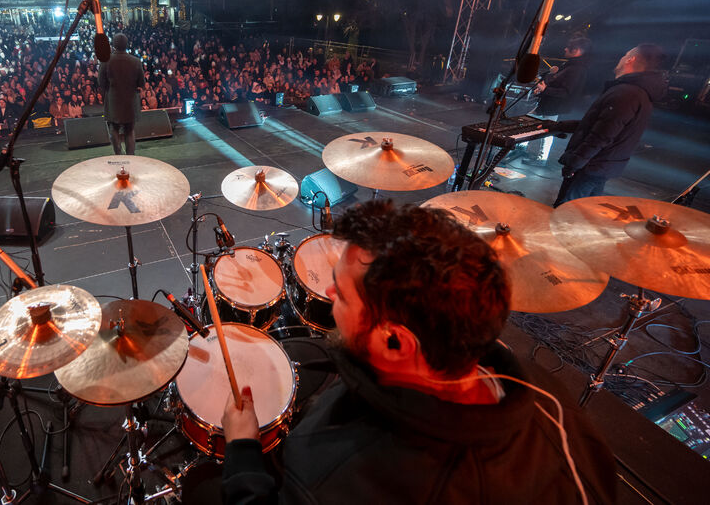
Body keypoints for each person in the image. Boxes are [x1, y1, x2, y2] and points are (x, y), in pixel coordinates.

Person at [220, 200, 616, 504]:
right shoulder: (549, 398)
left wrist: (242, 450)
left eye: (342, 292)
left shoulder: (339, 477)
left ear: (395, 342)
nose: (328, 291)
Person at [553, 43, 667, 206]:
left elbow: (601, 136)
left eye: (625, 54)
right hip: (601, 167)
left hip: (590, 167)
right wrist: (559, 126)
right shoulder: (636, 92)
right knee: (583, 212)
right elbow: (600, 125)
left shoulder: (626, 94)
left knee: (565, 212)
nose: (621, 58)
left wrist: (574, 164)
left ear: (630, 59)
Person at [524, 37, 592, 166]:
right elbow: (557, 83)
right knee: (529, 121)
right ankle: (524, 148)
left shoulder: (576, 69)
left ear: (577, 50)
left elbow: (566, 92)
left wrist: (545, 89)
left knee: (547, 130)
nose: (565, 49)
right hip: (548, 104)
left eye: (569, 47)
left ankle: (541, 158)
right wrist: (544, 86)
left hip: (554, 106)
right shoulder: (570, 66)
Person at [98, 33, 144, 155]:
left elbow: (101, 82)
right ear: (126, 45)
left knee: (114, 128)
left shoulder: (106, 61)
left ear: (114, 45)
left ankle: (118, 154)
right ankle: (131, 156)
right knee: (130, 130)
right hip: (130, 100)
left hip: (113, 100)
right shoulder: (136, 61)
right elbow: (141, 83)